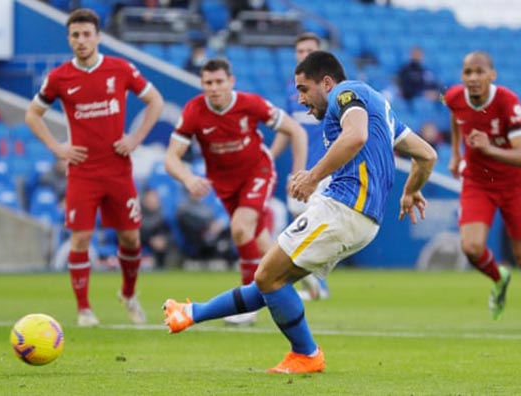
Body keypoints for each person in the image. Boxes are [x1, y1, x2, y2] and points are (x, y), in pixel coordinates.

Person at [163, 50, 437, 373]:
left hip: (344, 208)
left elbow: (356, 135)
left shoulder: (346, 93)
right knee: (272, 279)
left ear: (326, 82)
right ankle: (193, 313)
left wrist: (312, 176)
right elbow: (427, 155)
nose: (301, 100)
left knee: (267, 275)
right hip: (358, 216)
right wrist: (411, 190)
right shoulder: (384, 110)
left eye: (304, 90)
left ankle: (306, 354)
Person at [25, 8, 164, 326]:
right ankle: (84, 310)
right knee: (80, 241)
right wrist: (57, 147)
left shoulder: (120, 69)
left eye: (87, 34)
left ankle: (129, 294)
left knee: (130, 239)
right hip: (83, 173)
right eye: (75, 35)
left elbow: (155, 101)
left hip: (118, 170)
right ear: (69, 39)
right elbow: (32, 114)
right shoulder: (60, 77)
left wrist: (136, 138)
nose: (81, 40)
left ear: (98, 37)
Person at [164, 58, 307, 325]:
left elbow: (295, 130)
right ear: (202, 84)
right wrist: (187, 177)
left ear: (231, 81)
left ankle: (247, 304)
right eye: (208, 83)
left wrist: (297, 175)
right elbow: (171, 158)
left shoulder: (250, 103)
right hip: (225, 185)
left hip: (258, 172)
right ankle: (297, 281)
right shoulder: (194, 111)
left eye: (219, 82)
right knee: (262, 242)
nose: (214, 88)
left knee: (240, 228)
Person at [444, 51, 521, 329]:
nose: (474, 77)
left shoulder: (507, 102)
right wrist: (456, 154)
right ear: (462, 76)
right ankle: (498, 276)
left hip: (515, 185)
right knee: (471, 247)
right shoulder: (455, 97)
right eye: (468, 72)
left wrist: (487, 148)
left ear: (492, 75)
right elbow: (456, 118)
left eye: (480, 72)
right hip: (478, 182)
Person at [270, 32, 329, 301]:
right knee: (299, 225)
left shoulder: (331, 89)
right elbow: (288, 130)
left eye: (309, 51)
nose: (303, 55)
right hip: (299, 170)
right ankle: (312, 284)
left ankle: (319, 284)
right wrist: (269, 156)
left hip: (325, 171)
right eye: (300, 51)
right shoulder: (291, 90)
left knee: (317, 227)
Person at [140, 188, 177, 269]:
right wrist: (151, 240)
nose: (153, 201)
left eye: (155, 199)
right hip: (143, 244)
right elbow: (138, 233)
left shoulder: (164, 215)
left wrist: (165, 240)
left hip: (162, 247)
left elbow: (171, 234)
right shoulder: (138, 214)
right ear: (144, 200)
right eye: (150, 199)